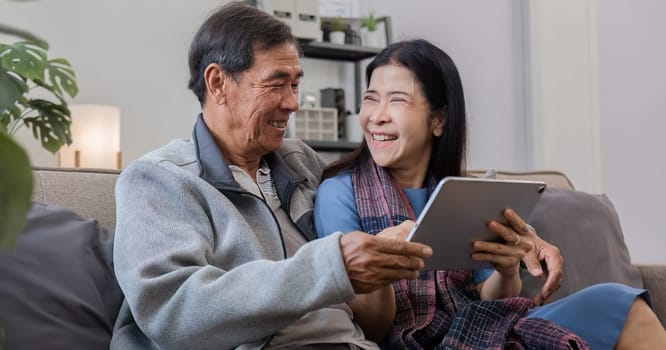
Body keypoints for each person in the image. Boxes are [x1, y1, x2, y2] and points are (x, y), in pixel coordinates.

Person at [110, 3, 434, 349]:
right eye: (276, 84)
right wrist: (330, 266)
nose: (293, 102)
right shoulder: (158, 179)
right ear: (218, 83)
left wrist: (379, 264)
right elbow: (174, 313)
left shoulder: (302, 162)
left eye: (295, 84)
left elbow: (370, 322)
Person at [314, 38, 666, 349]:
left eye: (397, 101)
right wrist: (381, 263)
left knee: (622, 304)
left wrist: (507, 269)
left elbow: (492, 297)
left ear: (439, 120)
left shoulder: (460, 194)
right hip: (414, 341)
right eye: (371, 100)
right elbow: (373, 329)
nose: (377, 116)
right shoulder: (339, 193)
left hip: (485, 327)